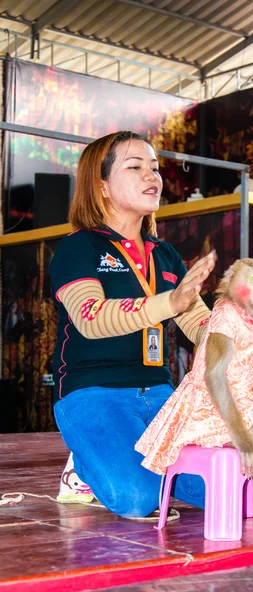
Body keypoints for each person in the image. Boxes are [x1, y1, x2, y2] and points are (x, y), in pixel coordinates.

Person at [51, 130, 215, 517]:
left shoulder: (166, 254)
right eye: (135, 167)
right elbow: (90, 318)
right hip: (93, 392)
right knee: (137, 499)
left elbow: (198, 324)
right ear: (102, 185)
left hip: (160, 394)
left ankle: (130, 455)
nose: (152, 176)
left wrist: (240, 327)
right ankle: (85, 467)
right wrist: (168, 302)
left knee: (224, 489)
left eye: (155, 168)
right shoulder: (80, 247)